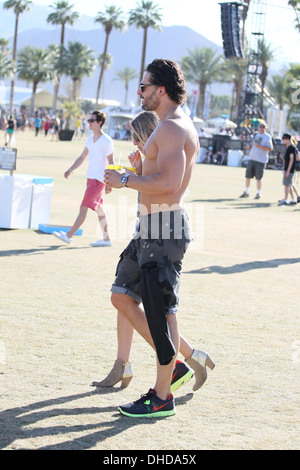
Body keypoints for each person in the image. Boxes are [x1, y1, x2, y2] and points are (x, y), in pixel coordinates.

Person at [104, 59, 215, 418]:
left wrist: (125, 181)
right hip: (150, 229)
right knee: (121, 296)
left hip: (163, 229)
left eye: (143, 86)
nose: (140, 92)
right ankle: (179, 365)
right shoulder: (170, 125)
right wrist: (131, 172)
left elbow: (168, 183)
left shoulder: (172, 128)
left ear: (160, 89)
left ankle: (162, 395)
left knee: (160, 312)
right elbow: (155, 173)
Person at [52, 110, 114, 247]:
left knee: (83, 207)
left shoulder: (107, 141)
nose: (89, 123)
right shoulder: (89, 139)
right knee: (100, 210)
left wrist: (109, 183)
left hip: (99, 180)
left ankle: (69, 235)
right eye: (89, 121)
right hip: (90, 179)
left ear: (100, 123)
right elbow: (81, 158)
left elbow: (111, 163)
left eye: (92, 121)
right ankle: (106, 239)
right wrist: (70, 170)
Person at [239, 123, 273, 200]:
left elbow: (270, 148)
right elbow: (251, 145)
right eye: (260, 126)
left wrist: (259, 147)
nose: (261, 128)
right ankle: (246, 192)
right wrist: (249, 147)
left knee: (258, 178)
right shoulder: (255, 135)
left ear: (265, 128)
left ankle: (258, 193)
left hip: (261, 160)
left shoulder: (267, 137)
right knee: (248, 176)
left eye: (263, 127)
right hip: (252, 158)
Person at [278, 134, 298, 206]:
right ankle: (293, 199)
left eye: (284, 139)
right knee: (288, 185)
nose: (283, 141)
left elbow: (292, 160)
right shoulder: (288, 147)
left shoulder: (291, 148)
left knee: (287, 185)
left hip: (290, 169)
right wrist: (284, 169)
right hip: (287, 169)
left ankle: (285, 199)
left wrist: (288, 171)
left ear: (288, 139)